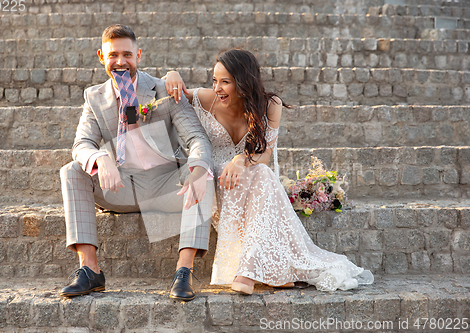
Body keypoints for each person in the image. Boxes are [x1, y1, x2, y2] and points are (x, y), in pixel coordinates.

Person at [165, 49, 374, 294]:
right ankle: (258, 273)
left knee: (261, 173)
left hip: (250, 176)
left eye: (225, 82)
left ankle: (247, 272)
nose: (217, 87)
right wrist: (172, 72)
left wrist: (241, 159)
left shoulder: (270, 105)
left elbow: (263, 157)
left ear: (243, 82)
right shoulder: (205, 98)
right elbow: (173, 91)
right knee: (256, 175)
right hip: (219, 182)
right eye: (214, 80)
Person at [59, 24, 215, 301]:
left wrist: (199, 168)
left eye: (127, 55)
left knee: (202, 171)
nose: (120, 61)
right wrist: (101, 157)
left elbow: (197, 138)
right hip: (120, 186)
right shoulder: (94, 97)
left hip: (167, 185)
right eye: (113, 55)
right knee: (72, 170)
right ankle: (90, 270)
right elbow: (81, 144)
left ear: (138, 55)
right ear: (101, 57)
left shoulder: (165, 89)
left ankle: (184, 271)